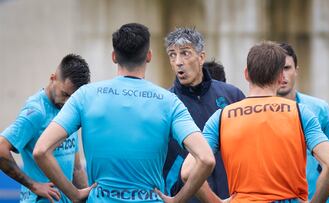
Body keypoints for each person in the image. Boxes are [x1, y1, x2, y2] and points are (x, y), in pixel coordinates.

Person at [32, 23, 215, 203]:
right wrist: (177, 200)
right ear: (149, 56)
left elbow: (41, 150)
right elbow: (206, 159)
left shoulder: (85, 96)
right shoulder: (169, 102)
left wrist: (74, 194)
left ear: (114, 56)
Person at [182, 41, 329, 202]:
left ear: (246, 74)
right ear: (280, 77)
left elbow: (187, 172)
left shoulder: (221, 117)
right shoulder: (300, 113)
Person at [163, 27, 245, 202]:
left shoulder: (232, 95)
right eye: (172, 55)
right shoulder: (165, 103)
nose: (178, 62)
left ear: (201, 57)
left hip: (232, 197)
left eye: (185, 53)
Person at [0, 54, 90, 203]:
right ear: (53, 78)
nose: (68, 102)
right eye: (65, 94)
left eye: (72, 97)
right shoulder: (36, 111)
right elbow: (1, 147)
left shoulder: (70, 110)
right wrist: (34, 186)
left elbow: (76, 168)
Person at [277, 42, 329, 202]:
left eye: (287, 68)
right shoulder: (255, 111)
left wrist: (327, 200)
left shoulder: (320, 109)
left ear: (296, 71)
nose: (282, 76)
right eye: (277, 69)